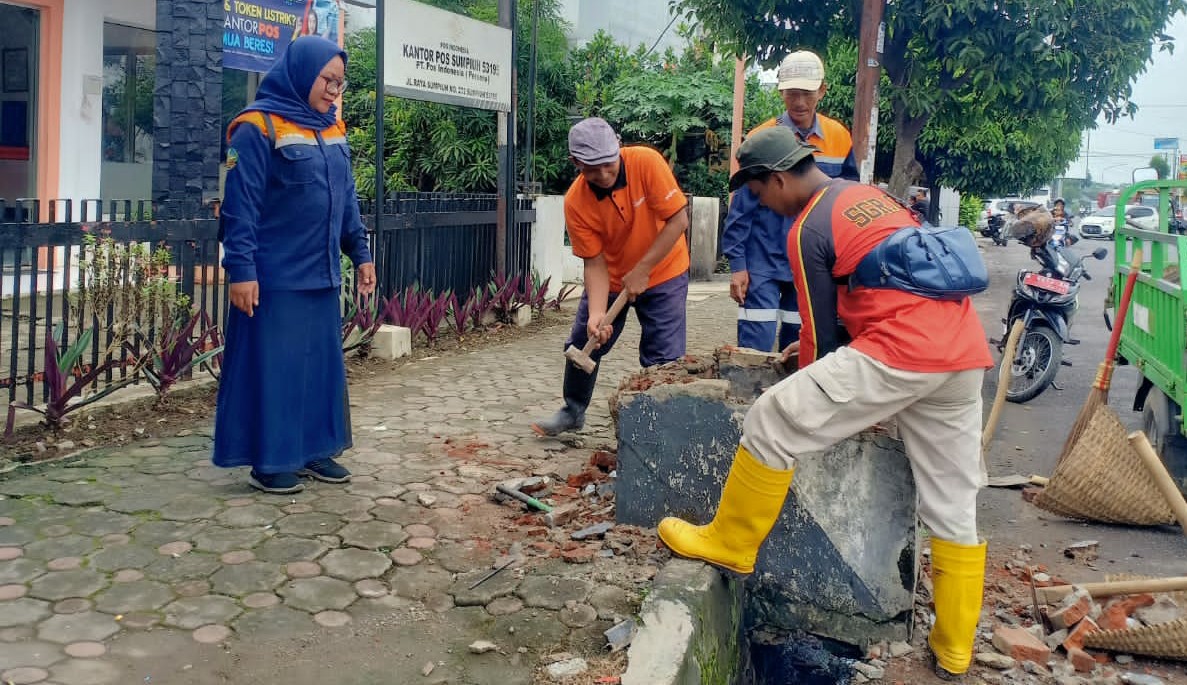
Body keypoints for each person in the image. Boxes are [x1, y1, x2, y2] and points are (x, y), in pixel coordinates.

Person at [657, 127, 993, 679]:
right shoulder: (867, 197)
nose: (761, 203)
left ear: (782, 178)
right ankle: (955, 648)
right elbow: (874, 284)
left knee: (773, 419)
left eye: (760, 192)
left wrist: (808, 379)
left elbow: (820, 339)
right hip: (959, 355)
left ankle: (731, 542)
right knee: (953, 503)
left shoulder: (807, 225)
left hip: (901, 351)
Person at [214, 36, 375, 495]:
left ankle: (313, 452)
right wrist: (241, 271)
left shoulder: (332, 129)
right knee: (277, 370)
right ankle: (271, 461)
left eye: (339, 84)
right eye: (327, 80)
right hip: (274, 278)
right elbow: (240, 208)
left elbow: (346, 203)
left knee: (319, 370)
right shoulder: (255, 127)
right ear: (302, 73)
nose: (333, 91)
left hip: (322, 274)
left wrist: (360, 254)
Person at [531, 118, 690, 436]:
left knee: (664, 355)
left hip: (664, 270)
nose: (603, 175)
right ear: (575, 162)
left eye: (608, 164)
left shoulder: (646, 162)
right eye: (592, 169)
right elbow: (594, 263)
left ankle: (660, 425)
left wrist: (643, 270)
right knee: (582, 341)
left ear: (618, 148)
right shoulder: (576, 202)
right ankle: (573, 411)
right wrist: (598, 314)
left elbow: (678, 220)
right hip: (614, 277)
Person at [721, 50, 858, 354]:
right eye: (792, 93)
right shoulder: (761, 138)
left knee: (802, 343)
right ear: (781, 92)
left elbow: (847, 201)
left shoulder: (839, 137)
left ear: (822, 91)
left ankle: (793, 401)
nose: (799, 102)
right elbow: (741, 209)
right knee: (756, 343)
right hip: (763, 261)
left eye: (807, 93)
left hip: (812, 259)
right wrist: (738, 266)